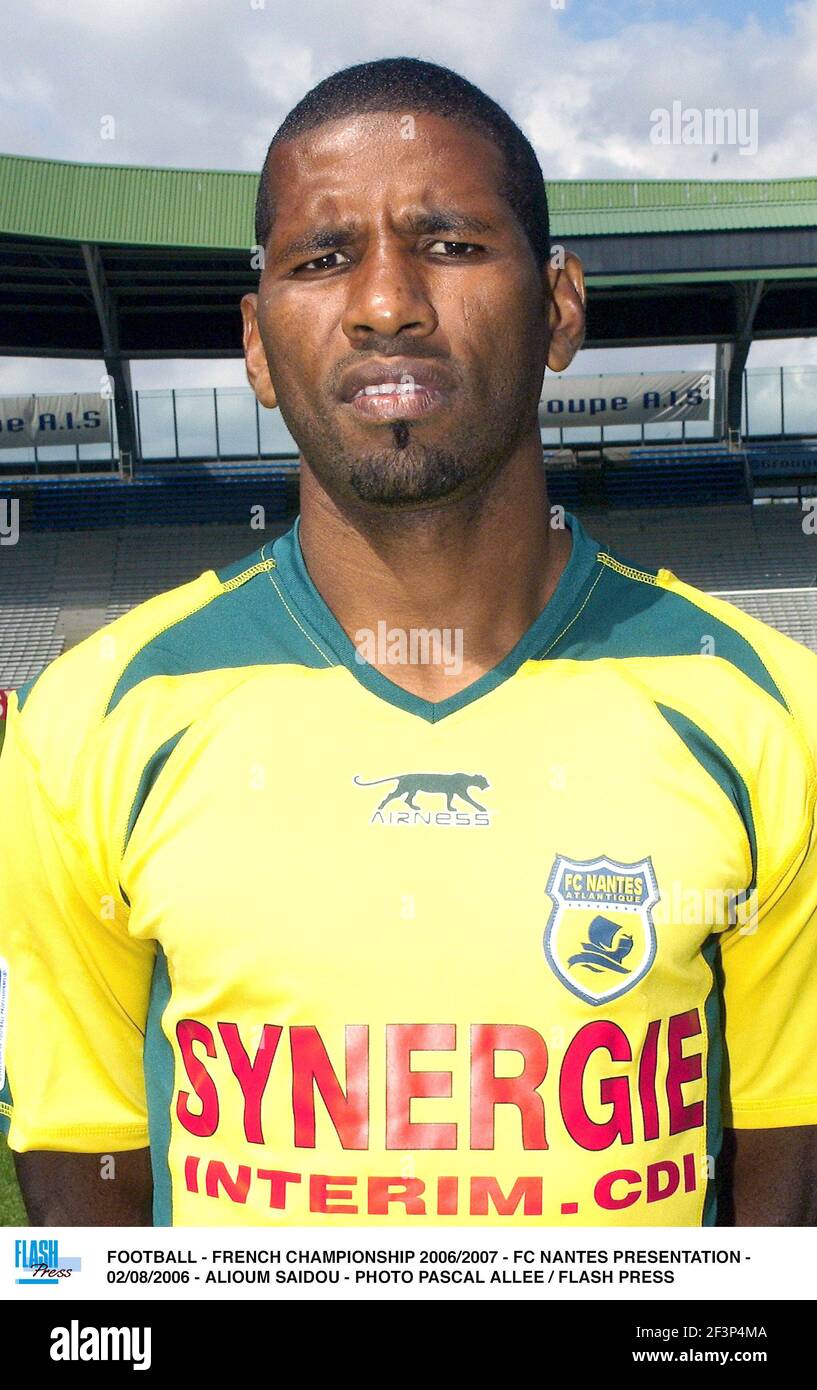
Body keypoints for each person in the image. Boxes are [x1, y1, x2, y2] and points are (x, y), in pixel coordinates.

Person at [1, 57, 816, 1228]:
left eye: (448, 242)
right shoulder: (93, 722)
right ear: (254, 343)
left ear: (560, 308)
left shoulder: (767, 710)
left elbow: (790, 1167)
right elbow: (79, 1151)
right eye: (322, 260)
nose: (385, 303)